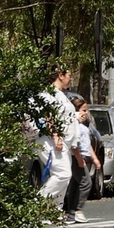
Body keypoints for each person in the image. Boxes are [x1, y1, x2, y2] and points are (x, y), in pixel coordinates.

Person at [36, 67, 77, 215]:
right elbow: (48, 114)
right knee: (63, 174)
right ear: (60, 75)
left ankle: (53, 211)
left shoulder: (61, 95)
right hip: (50, 141)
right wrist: (55, 136)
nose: (70, 78)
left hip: (64, 142)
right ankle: (38, 204)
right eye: (69, 75)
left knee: (65, 177)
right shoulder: (48, 93)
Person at [64, 96, 100, 223]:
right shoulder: (73, 124)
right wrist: (79, 158)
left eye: (86, 110)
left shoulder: (84, 125)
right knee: (86, 183)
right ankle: (77, 210)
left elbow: (87, 143)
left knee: (75, 184)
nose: (86, 113)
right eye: (83, 110)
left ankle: (70, 213)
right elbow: (73, 144)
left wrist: (94, 159)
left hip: (83, 155)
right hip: (76, 156)